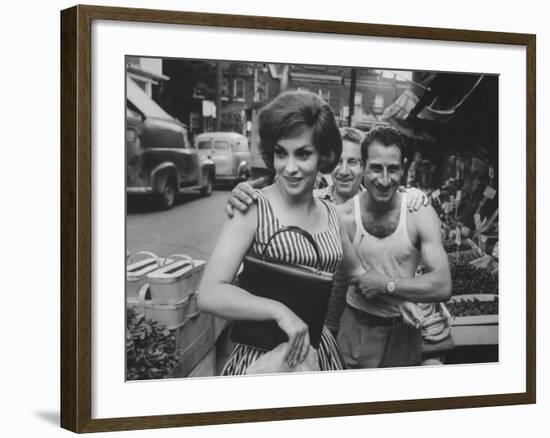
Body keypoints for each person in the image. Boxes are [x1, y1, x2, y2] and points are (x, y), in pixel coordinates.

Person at [198, 91, 374, 375]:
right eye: (282, 153)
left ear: (324, 156)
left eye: (303, 154)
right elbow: (209, 293)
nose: (290, 168)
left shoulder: (332, 215)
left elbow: (357, 273)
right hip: (261, 358)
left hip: (317, 354)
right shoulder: (252, 207)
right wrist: (280, 312)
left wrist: (400, 295)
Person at [335, 126, 452, 368]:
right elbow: (353, 277)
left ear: (404, 168)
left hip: (404, 333)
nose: (385, 180)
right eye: (376, 168)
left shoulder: (419, 213)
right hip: (356, 329)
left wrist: (387, 285)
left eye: (393, 169)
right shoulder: (344, 217)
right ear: (363, 166)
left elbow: (442, 285)